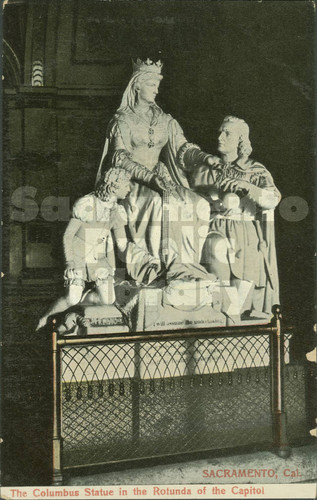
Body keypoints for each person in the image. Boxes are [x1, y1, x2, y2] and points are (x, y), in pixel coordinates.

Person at [96, 58, 215, 284]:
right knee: (161, 204)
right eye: (152, 84)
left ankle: (188, 266)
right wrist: (150, 178)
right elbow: (120, 158)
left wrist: (205, 157)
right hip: (134, 184)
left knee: (199, 204)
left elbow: (182, 149)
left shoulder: (165, 120)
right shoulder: (122, 120)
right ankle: (164, 267)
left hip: (162, 178)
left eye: (158, 85)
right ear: (137, 85)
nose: (157, 90)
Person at [36, 168, 159, 330]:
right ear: (115, 186)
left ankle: (75, 309)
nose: (129, 189)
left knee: (107, 300)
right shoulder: (87, 204)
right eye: (126, 186)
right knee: (71, 298)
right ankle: (45, 318)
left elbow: (123, 244)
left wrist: (146, 258)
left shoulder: (117, 210)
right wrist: (70, 262)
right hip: (78, 258)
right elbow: (67, 236)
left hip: (99, 260)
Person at [184, 116, 281, 319]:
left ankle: (236, 329)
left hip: (246, 234)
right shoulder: (204, 169)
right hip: (214, 228)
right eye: (220, 131)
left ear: (240, 139)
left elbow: (273, 199)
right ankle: (221, 322)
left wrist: (248, 188)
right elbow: (187, 200)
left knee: (239, 301)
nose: (220, 136)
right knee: (219, 276)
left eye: (227, 133)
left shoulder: (254, 170)